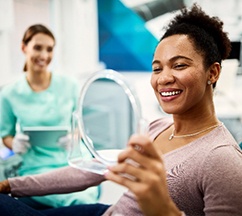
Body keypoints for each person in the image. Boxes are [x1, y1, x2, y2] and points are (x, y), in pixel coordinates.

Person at [1, 4, 242, 215]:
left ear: (213, 72)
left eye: (179, 65)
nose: (164, 78)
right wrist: (11, 185)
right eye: (157, 69)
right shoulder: (157, 129)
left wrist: (162, 210)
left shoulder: (222, 161)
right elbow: (90, 173)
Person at [0, 24, 99, 209]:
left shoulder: (69, 85)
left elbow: (79, 124)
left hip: (70, 160)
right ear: (24, 47)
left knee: (83, 199)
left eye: (49, 49)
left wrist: (74, 138)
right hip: (35, 165)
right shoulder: (9, 93)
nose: (44, 56)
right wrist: (14, 144)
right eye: (38, 48)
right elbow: (5, 134)